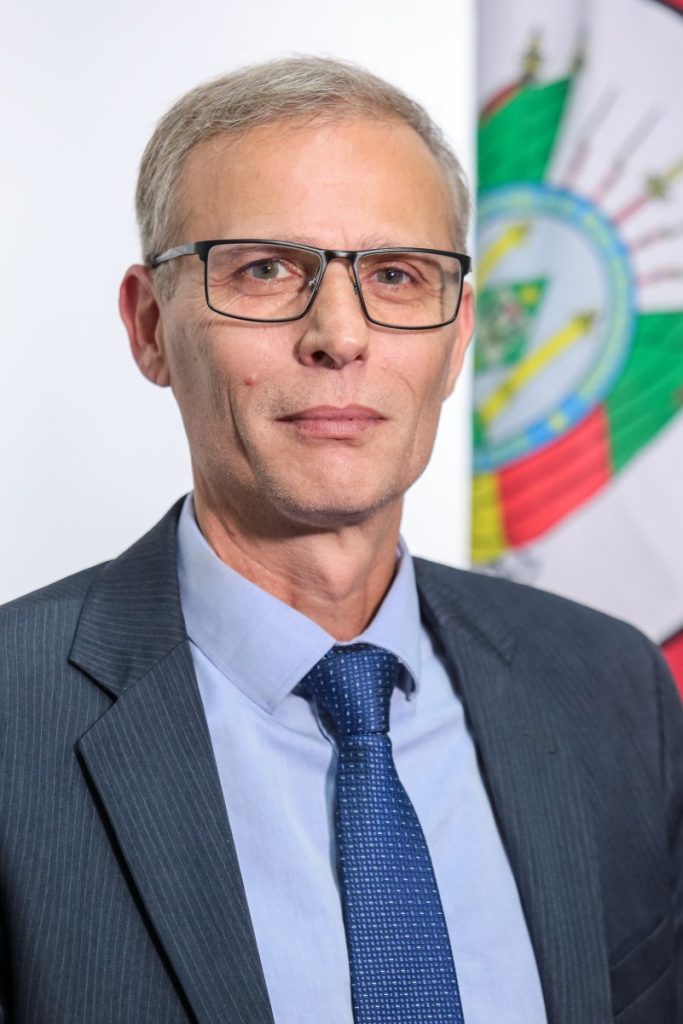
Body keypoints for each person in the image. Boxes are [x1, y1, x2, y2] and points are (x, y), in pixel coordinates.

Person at [0, 56, 680, 1024]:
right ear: (150, 326)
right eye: (264, 270)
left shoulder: (610, 687)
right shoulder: (13, 716)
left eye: (396, 276)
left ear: (457, 338)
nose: (339, 335)